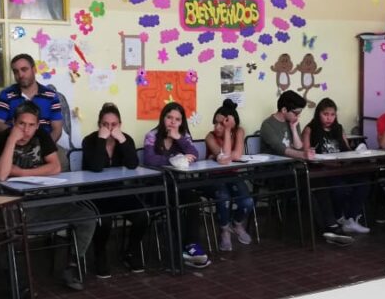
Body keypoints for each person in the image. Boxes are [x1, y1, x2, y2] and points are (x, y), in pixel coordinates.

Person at [0, 102, 97, 289]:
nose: (26, 130)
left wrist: (21, 172)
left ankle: (72, 267)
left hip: (43, 203)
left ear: (38, 126)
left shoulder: (41, 136)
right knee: (0, 230)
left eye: (31, 125)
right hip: (12, 208)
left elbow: (55, 166)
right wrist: (11, 141)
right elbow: (0, 174)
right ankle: (19, 283)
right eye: (21, 124)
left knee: (87, 217)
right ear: (13, 122)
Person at [261, 91, 352, 246]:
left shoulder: (293, 122)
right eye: (296, 112)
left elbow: (298, 146)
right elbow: (282, 150)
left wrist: (293, 127)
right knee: (309, 182)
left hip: (296, 169)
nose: (298, 116)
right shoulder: (267, 125)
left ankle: (330, 227)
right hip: (276, 171)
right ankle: (327, 228)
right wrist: (304, 155)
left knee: (317, 180)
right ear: (284, 110)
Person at [82, 103, 148, 276]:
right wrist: (101, 140)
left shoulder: (125, 139)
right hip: (95, 193)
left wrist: (123, 140)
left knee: (142, 215)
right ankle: (100, 255)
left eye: (114, 124)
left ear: (120, 124)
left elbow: (133, 164)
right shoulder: (89, 141)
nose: (110, 128)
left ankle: (131, 251)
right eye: (105, 124)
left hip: (118, 191)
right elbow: (96, 167)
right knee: (105, 221)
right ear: (99, 124)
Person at [142, 101, 210, 267]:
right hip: (158, 188)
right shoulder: (152, 135)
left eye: (177, 119)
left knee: (193, 199)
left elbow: (194, 154)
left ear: (182, 122)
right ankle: (180, 249)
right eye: (169, 117)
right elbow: (150, 159)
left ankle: (192, 245)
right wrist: (174, 160)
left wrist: (178, 137)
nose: (172, 122)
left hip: (179, 185)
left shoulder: (183, 135)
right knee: (174, 202)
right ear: (163, 118)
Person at [302, 97, 370, 234]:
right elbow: (306, 153)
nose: (329, 118)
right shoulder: (310, 129)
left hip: (342, 167)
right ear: (318, 114)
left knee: (364, 183)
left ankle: (350, 218)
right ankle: (339, 217)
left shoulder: (338, 128)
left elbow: (347, 149)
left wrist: (356, 154)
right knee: (339, 188)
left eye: (332, 115)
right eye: (325, 114)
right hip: (323, 170)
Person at [204, 99, 255, 251]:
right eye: (216, 123)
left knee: (247, 201)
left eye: (222, 124)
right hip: (214, 177)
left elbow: (235, 155)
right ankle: (224, 230)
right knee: (224, 198)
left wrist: (222, 156)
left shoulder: (239, 131)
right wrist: (227, 132)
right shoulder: (210, 136)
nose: (217, 127)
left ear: (232, 123)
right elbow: (225, 158)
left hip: (232, 175)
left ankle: (237, 224)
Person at [0, 53, 63, 141]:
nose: (20, 75)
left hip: (43, 143)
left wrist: (45, 148)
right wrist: (18, 135)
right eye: (16, 71)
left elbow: (57, 129)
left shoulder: (51, 95)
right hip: (14, 143)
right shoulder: (7, 94)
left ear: (34, 70)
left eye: (24, 70)